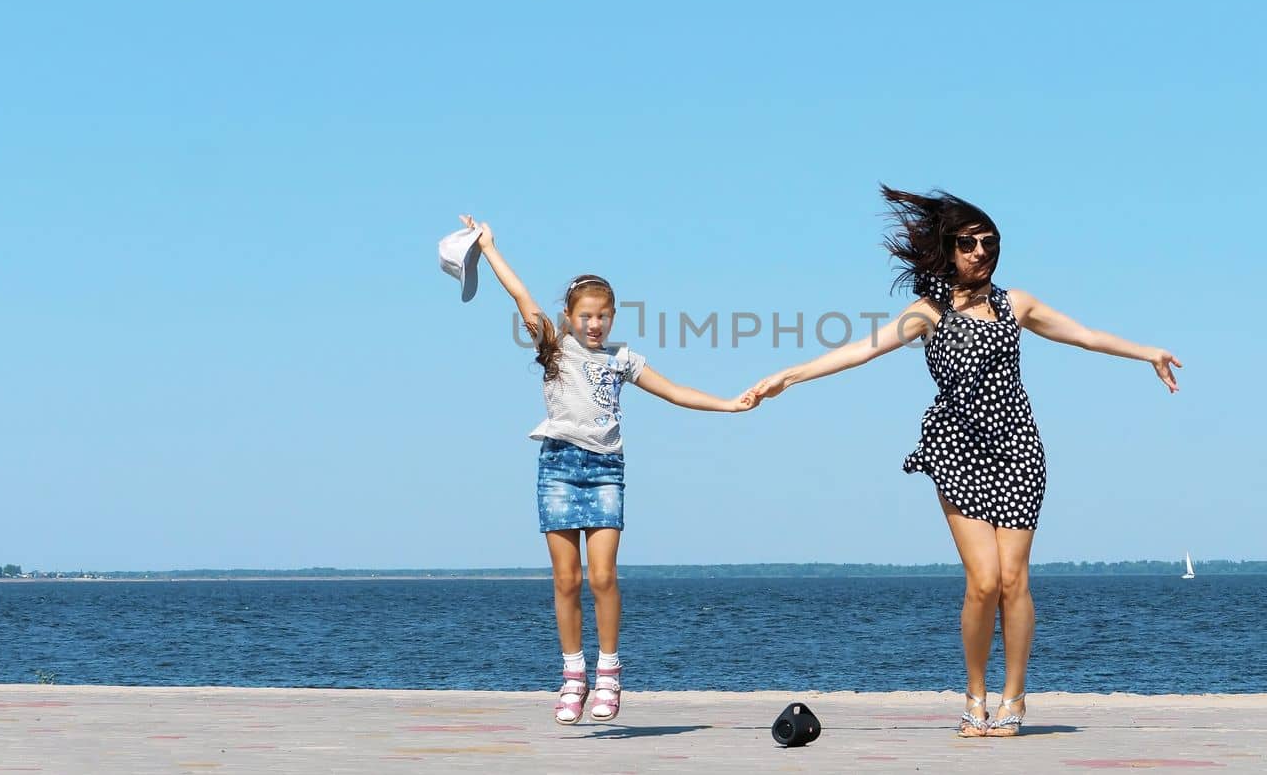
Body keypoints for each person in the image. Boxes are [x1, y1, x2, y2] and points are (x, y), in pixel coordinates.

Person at [746, 188, 1181, 737]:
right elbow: (860, 350)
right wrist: (791, 374)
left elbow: (1086, 335)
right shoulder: (927, 312)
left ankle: (1014, 699)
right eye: (970, 243)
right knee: (983, 582)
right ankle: (974, 697)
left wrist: (1149, 353)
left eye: (989, 243)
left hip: (1018, 447)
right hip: (955, 447)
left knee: (1014, 580)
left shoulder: (1014, 305)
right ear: (949, 249)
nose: (980, 252)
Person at [461, 215, 756, 725]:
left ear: (614, 317)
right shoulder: (553, 345)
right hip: (557, 465)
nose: (595, 325)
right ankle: (573, 675)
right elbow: (520, 296)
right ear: (570, 316)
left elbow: (675, 391)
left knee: (602, 576)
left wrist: (728, 405)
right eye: (586, 315)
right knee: (566, 579)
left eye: (604, 316)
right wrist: (488, 246)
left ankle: (610, 673)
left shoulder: (622, 359)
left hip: (605, 471)